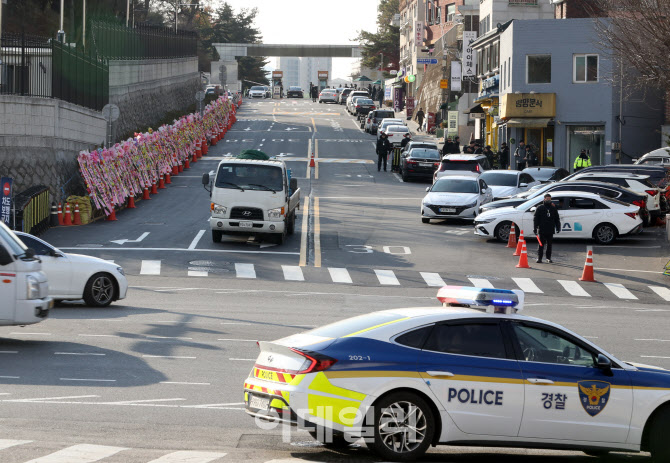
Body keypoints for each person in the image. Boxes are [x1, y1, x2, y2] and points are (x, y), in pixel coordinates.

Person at [533, 193, 561, 264]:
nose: (548, 200)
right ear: (544, 199)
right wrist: (535, 228)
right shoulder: (540, 207)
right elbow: (536, 219)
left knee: (549, 245)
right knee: (541, 244)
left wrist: (558, 227)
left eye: (549, 199)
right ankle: (539, 258)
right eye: (547, 199)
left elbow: (557, 219)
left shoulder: (553, 208)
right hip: (542, 229)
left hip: (550, 229)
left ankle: (548, 258)